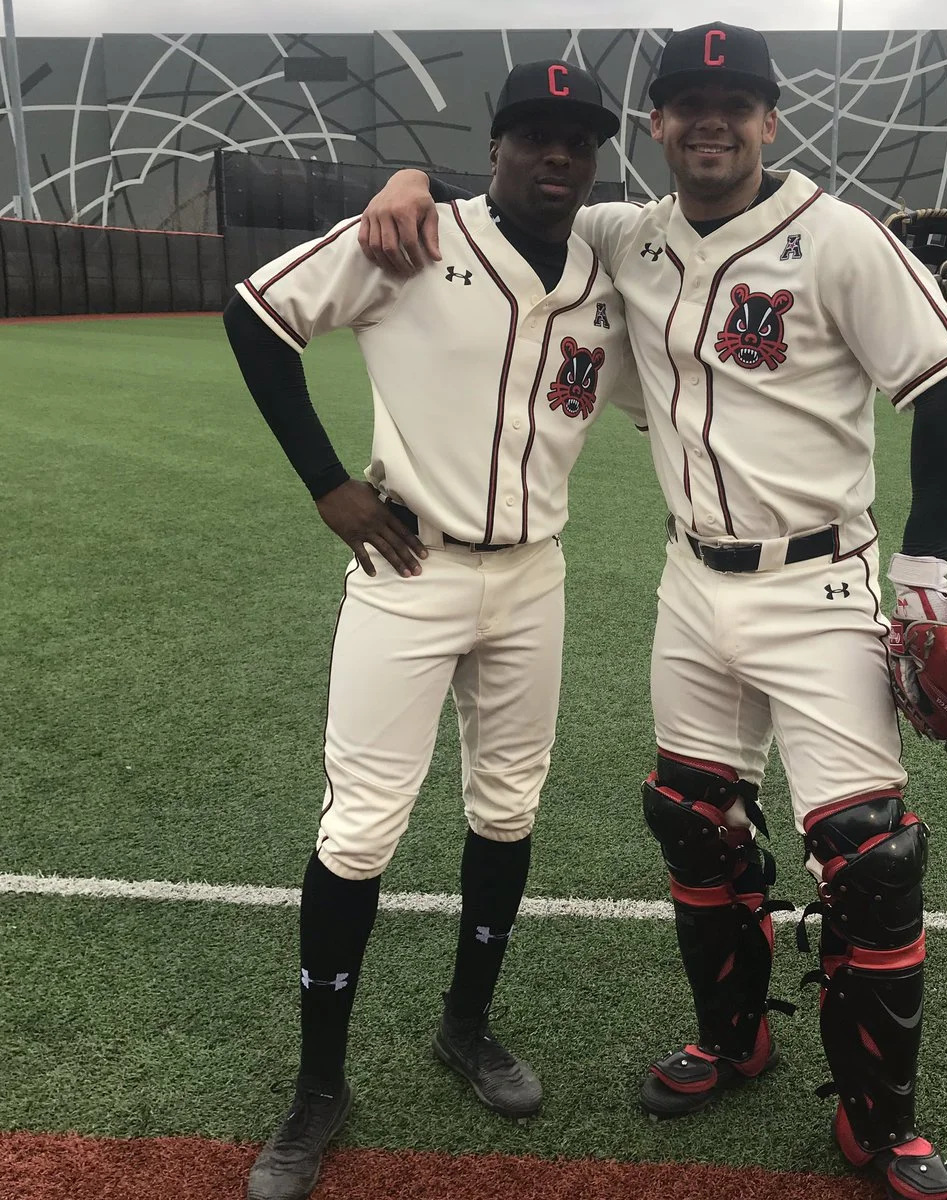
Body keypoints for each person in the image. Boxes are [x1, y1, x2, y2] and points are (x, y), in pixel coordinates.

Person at [358, 23, 947, 1200]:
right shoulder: (623, 234)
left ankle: (882, 1124)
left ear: (769, 120)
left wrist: (924, 578)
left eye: (736, 102)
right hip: (693, 584)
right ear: (655, 126)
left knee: (870, 858)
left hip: (822, 585)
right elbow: (505, 198)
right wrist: (407, 179)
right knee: (694, 819)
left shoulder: (837, 237)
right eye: (690, 103)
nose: (713, 120)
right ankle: (734, 1038)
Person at [224, 59, 643, 1200]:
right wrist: (324, 483)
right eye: (534, 134)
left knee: (507, 808)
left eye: (579, 137)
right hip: (409, 567)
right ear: (495, 145)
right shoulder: (409, 235)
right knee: (360, 830)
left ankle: (467, 1024)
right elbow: (258, 315)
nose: (558, 153)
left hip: (533, 579)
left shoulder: (608, 267)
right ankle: (320, 1088)